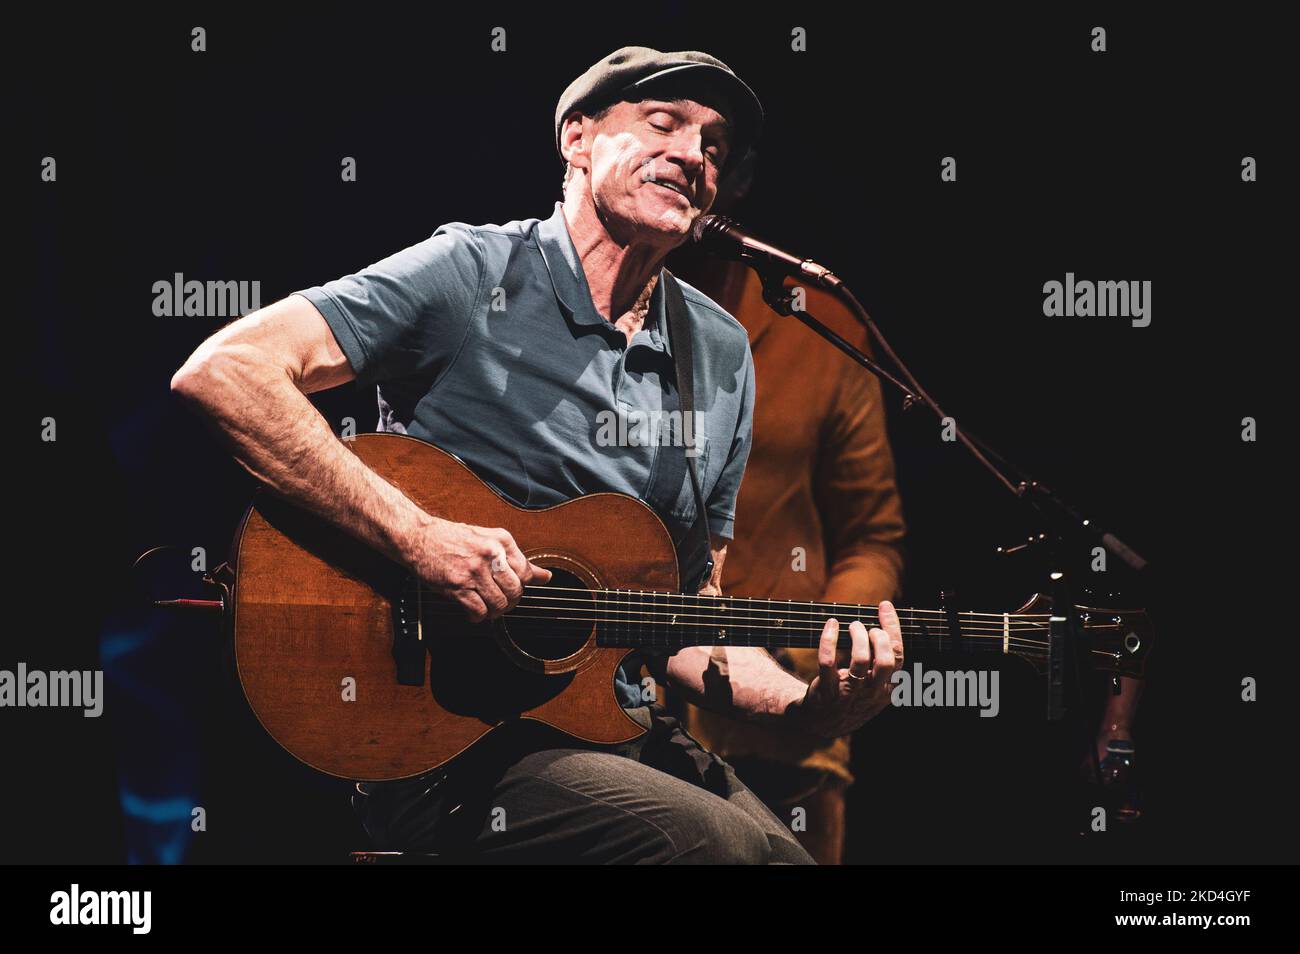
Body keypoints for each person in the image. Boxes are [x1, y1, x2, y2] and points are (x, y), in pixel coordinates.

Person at [171, 46, 904, 864]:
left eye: (714, 148)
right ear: (578, 140)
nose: (694, 156)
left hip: (613, 730)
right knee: (719, 852)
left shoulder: (721, 352)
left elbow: (686, 616)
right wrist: (420, 540)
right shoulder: (474, 271)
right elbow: (227, 373)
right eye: (664, 124)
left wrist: (810, 707)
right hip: (447, 745)